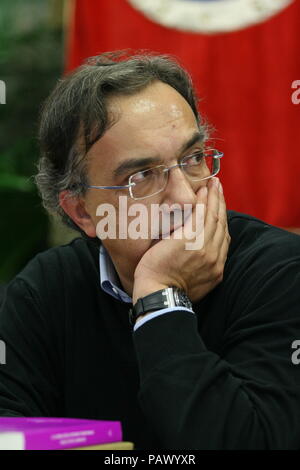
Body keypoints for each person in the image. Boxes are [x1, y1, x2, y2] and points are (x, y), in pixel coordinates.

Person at [0, 51, 300, 450]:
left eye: (193, 159)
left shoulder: (281, 272)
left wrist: (161, 298)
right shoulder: (43, 292)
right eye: (141, 177)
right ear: (82, 211)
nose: (184, 198)